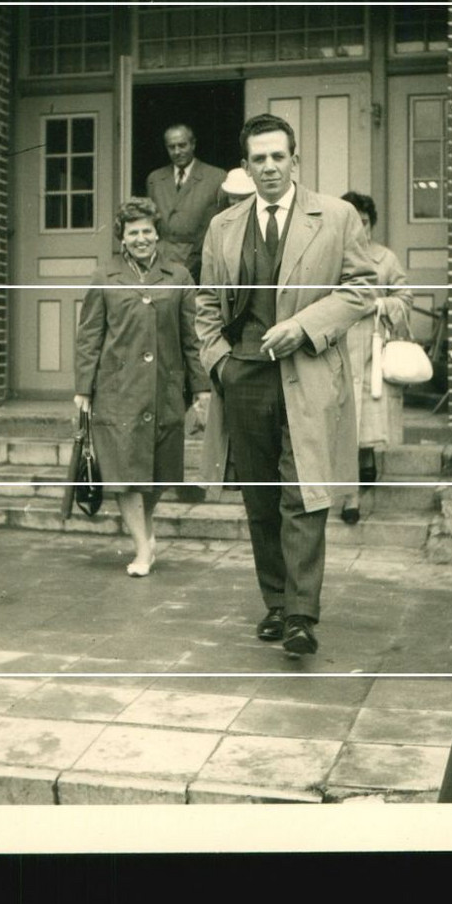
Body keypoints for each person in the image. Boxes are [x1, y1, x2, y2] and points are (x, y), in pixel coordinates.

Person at [194, 113, 376, 658]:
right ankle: (275, 601)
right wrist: (220, 362)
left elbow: (362, 289)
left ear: (295, 159)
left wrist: (303, 326)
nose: (269, 167)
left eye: (279, 156)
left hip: (308, 371)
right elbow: (205, 304)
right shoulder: (223, 227)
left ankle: (301, 614)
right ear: (246, 167)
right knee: (260, 495)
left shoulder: (336, 216)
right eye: (259, 159)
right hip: (244, 374)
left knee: (304, 490)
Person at [73, 199, 209, 577]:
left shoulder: (178, 276)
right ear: (122, 237)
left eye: (147, 230)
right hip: (117, 392)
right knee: (126, 474)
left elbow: (192, 338)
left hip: (165, 391)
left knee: (158, 474)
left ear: (157, 233)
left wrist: (200, 389)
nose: (141, 238)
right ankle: (142, 549)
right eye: (133, 232)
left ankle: (146, 531)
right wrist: (83, 388)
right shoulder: (105, 277)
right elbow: (89, 337)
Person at [336, 191, 415, 525]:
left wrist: (384, 305)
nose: (360, 229)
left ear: (372, 223)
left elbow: (405, 296)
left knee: (367, 411)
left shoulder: (385, 258)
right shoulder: (334, 257)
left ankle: (366, 459)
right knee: (346, 418)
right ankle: (349, 497)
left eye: (364, 222)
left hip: (373, 345)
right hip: (341, 346)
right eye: (353, 222)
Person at [146, 124, 226, 283]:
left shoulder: (217, 177)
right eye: (171, 147)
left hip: (199, 262)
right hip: (161, 262)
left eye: (182, 145)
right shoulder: (155, 179)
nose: (177, 152)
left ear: (193, 144)